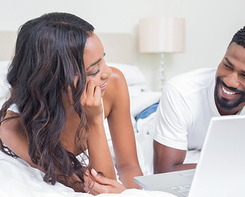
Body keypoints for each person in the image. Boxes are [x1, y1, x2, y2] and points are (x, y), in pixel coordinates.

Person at [0, 12, 143, 193]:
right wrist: (94, 120)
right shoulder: (14, 128)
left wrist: (133, 193)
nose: (107, 71)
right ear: (55, 80)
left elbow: (129, 166)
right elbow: (98, 187)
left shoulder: (113, 82)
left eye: (103, 59)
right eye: (93, 71)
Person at [153, 23, 245, 173]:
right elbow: (164, 171)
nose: (230, 81)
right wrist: (244, 165)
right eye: (227, 65)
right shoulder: (180, 91)